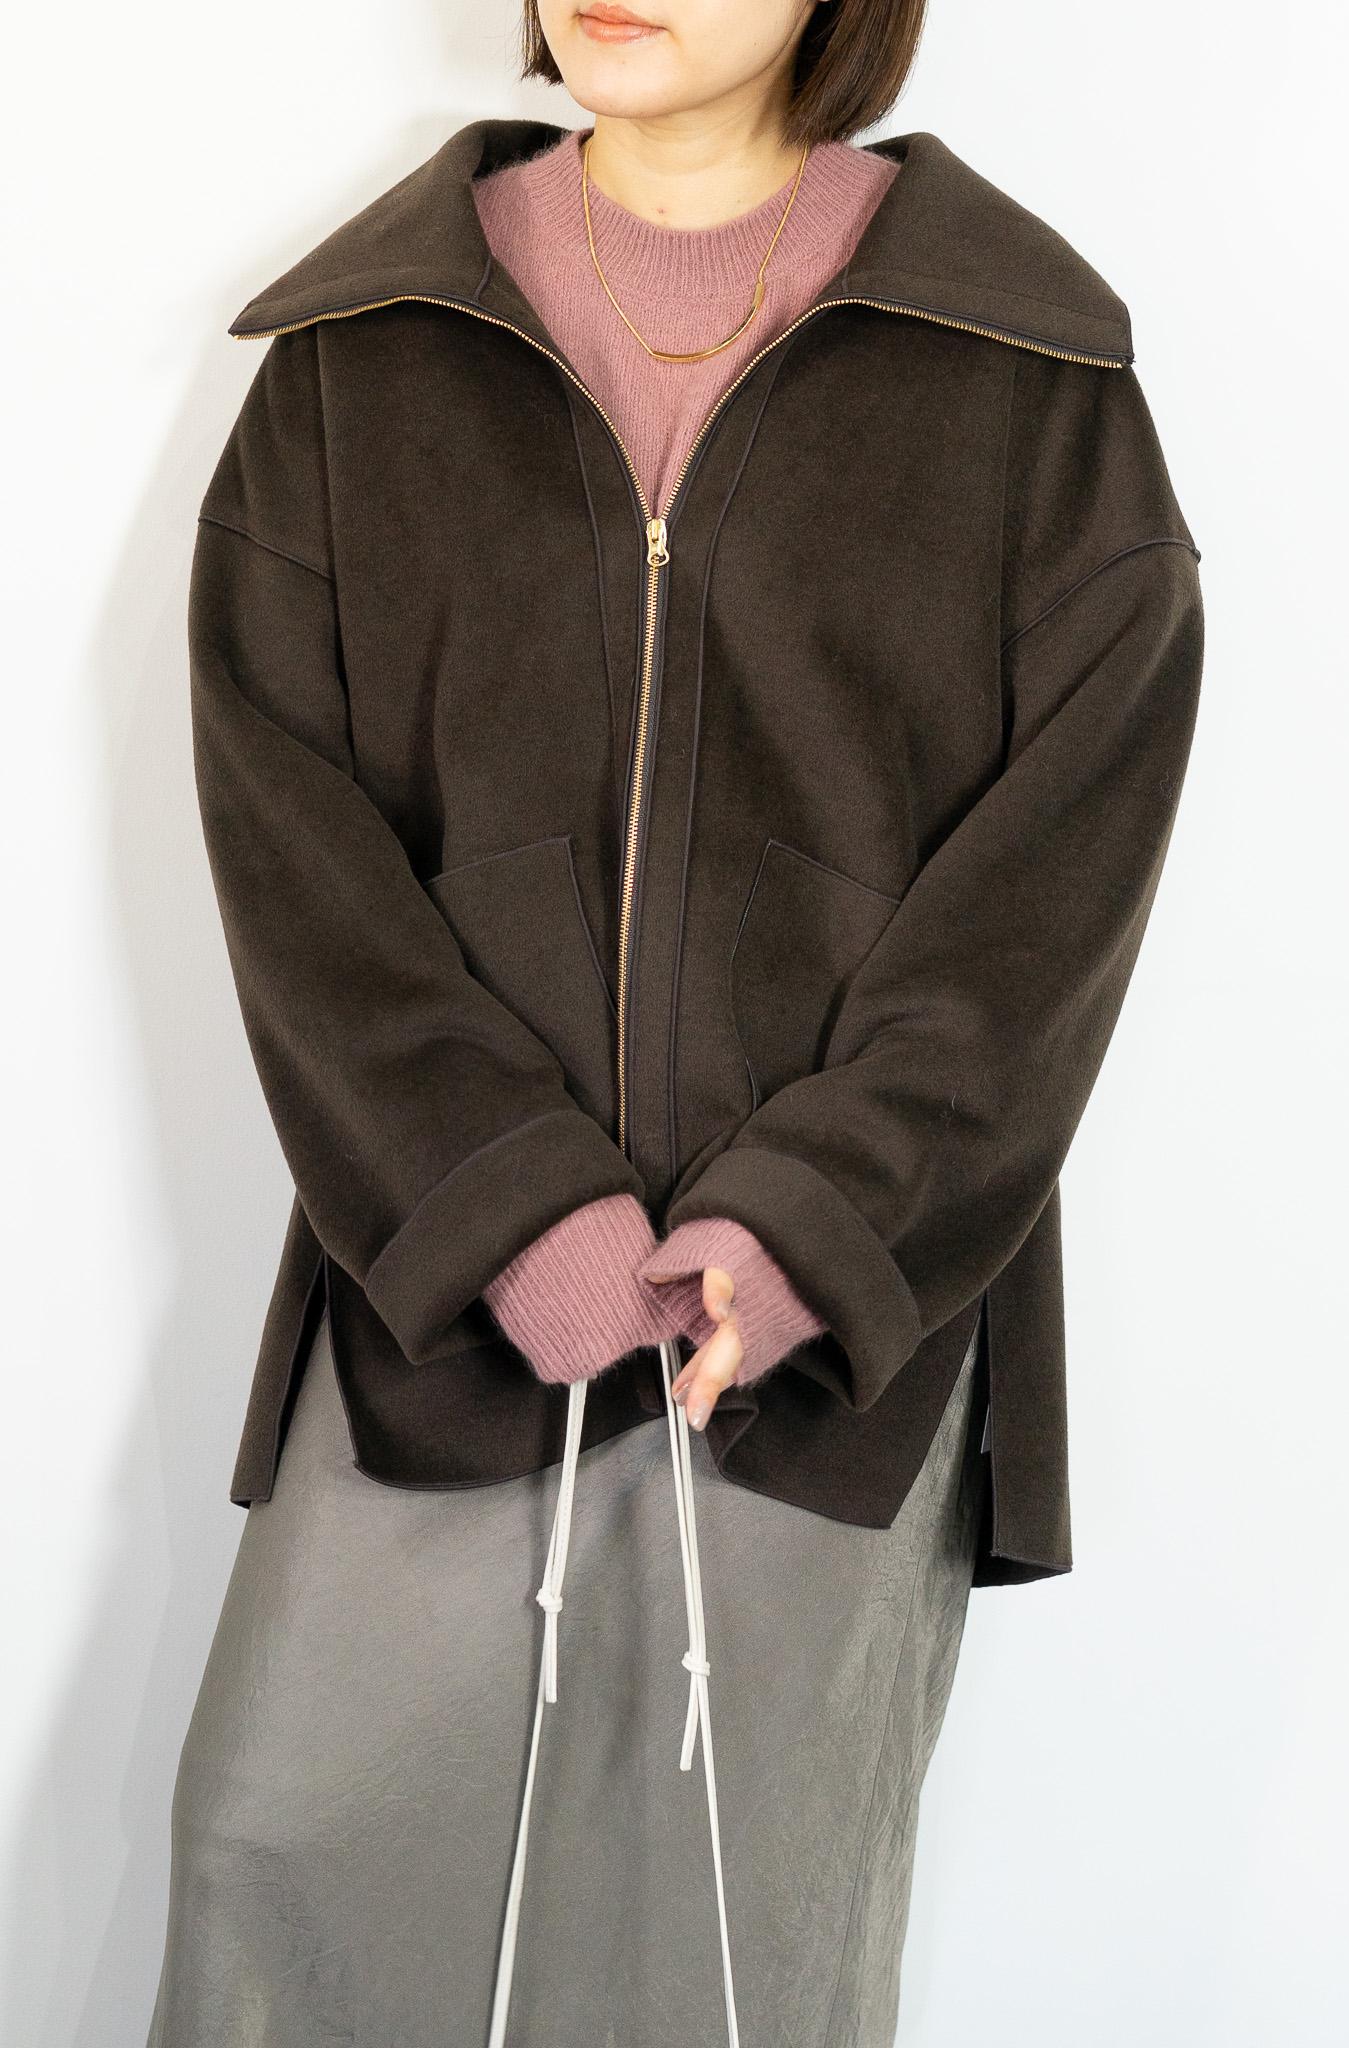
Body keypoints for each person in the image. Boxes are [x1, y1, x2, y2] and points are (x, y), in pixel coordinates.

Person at [144, 2, 1204, 2042]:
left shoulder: (1028, 378)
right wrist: (502, 1203)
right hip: (440, 1298)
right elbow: (295, 855)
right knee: (282, 1869)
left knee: (716, 1957)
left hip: (816, 1347)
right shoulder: (359, 358)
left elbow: (1047, 906)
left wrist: (815, 1223)